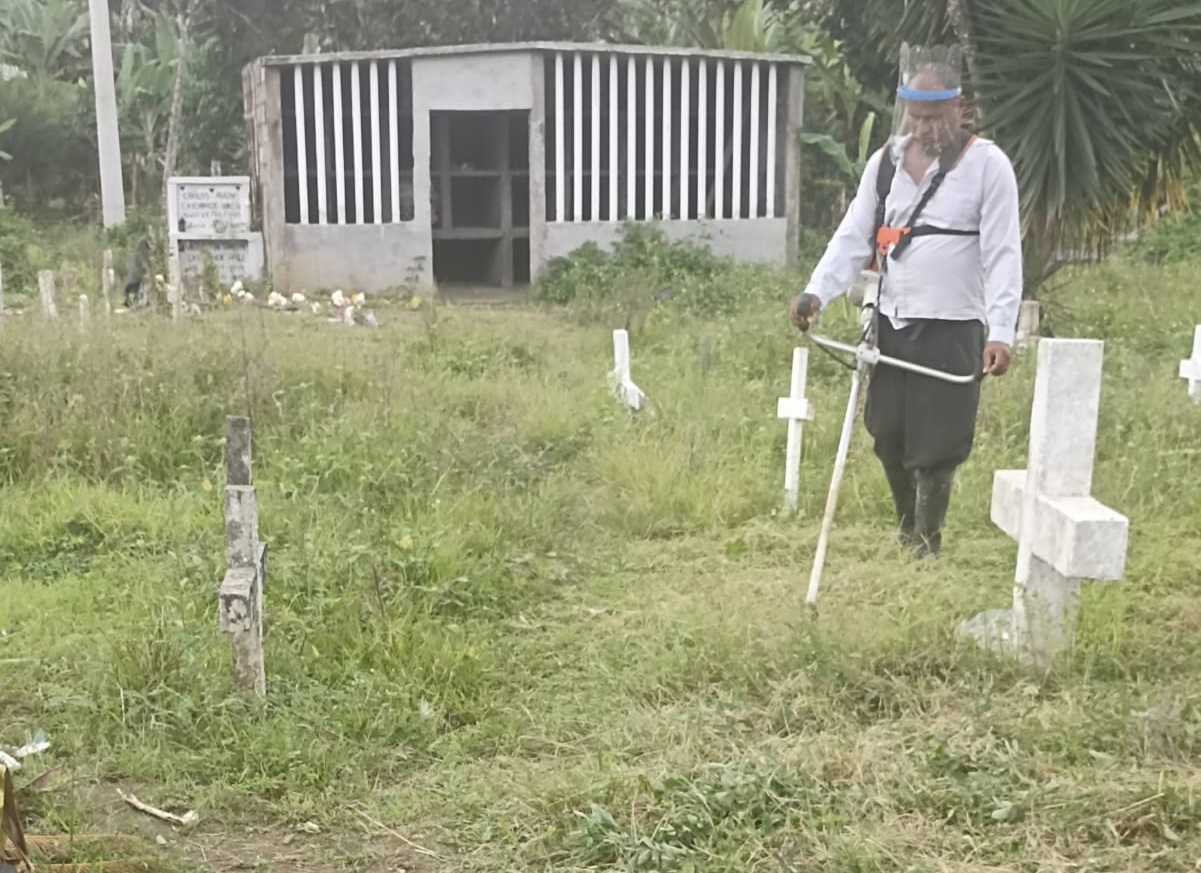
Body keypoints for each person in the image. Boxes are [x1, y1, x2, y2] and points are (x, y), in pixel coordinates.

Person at [789, 44, 1023, 558]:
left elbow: (1004, 254)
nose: (923, 127)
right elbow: (853, 236)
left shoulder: (988, 166)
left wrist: (1003, 332)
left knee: (937, 443)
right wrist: (816, 291)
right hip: (892, 323)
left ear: (959, 108)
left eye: (934, 117)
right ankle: (905, 530)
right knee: (888, 433)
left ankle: (926, 543)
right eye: (915, 116)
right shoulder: (885, 164)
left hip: (953, 326)